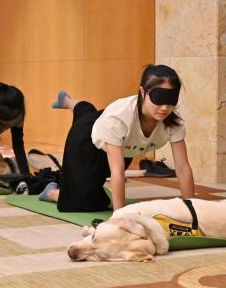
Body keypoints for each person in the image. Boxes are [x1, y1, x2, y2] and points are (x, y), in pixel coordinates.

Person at [41, 64, 195, 212]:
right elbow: (117, 171)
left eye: (171, 100)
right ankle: (51, 192)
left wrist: (192, 210)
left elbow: (182, 168)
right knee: (85, 202)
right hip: (87, 141)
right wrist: (119, 217)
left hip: (121, 143)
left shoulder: (173, 121)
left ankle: (69, 102)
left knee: (93, 115)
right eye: (158, 98)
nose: (164, 108)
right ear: (142, 92)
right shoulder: (119, 116)